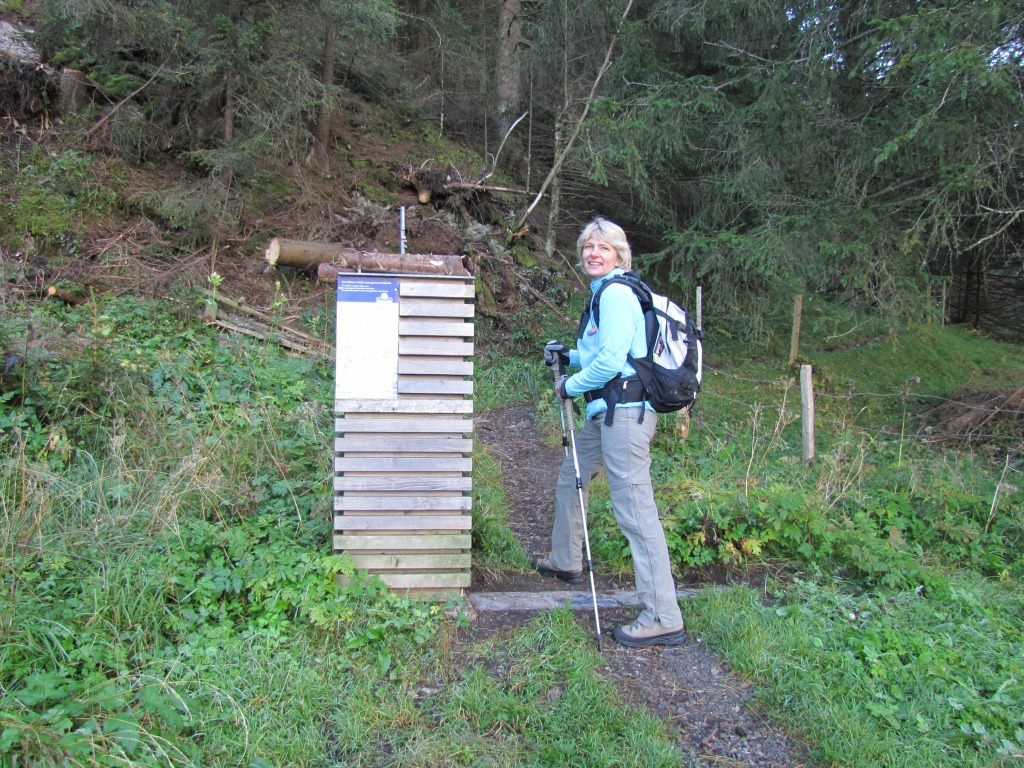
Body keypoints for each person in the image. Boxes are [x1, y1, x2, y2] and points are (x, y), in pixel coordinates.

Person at [535, 217, 686, 648]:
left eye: (603, 248)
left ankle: (662, 615)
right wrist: (570, 354)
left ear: (620, 255)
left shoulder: (618, 294)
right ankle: (565, 560)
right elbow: (600, 353)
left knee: (636, 512)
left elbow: (611, 361)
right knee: (572, 475)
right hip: (607, 415)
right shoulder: (606, 295)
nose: (593, 254)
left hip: (625, 417)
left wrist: (569, 384)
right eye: (588, 247)